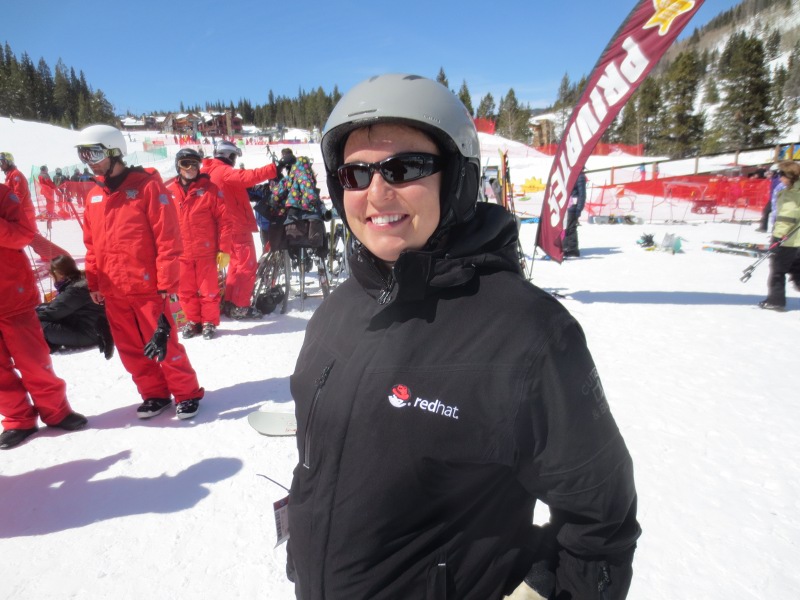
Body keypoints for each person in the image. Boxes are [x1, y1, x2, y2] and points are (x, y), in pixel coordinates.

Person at [286, 74, 640, 599]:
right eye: (355, 174)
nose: (376, 192)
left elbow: (601, 519)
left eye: (404, 168)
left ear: (457, 179)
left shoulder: (526, 332)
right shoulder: (337, 309)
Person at [75, 124, 204, 420]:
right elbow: (91, 245)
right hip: (113, 290)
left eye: (93, 154)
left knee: (164, 343)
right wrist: (94, 282)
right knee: (131, 349)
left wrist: (166, 282)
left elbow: (167, 237)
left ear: (114, 151)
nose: (89, 162)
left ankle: (186, 393)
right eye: (83, 155)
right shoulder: (93, 196)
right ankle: (154, 393)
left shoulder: (146, 187)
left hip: (148, 287)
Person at [0, 183, 87, 449]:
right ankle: (18, 420)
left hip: (12, 296)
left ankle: (56, 411)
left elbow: (23, 235)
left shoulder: (3, 194)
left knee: (34, 361)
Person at [201, 140, 277, 319]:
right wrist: (273, 169)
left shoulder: (209, 170)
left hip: (224, 227)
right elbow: (247, 177)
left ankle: (230, 301)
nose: (234, 161)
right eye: (234, 156)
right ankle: (240, 305)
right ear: (229, 155)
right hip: (236, 225)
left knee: (236, 266)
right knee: (247, 266)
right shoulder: (223, 171)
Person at [167, 147, 231, 340]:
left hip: (206, 252)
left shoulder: (210, 190)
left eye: (195, 164)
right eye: (185, 164)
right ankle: (193, 321)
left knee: (209, 291)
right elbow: (162, 224)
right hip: (181, 253)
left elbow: (225, 221)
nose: (190, 168)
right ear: (178, 166)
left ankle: (209, 321)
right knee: (185, 292)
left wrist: (224, 249)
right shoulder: (169, 192)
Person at [36, 254, 115, 359]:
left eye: (51, 271)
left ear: (60, 273)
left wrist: (28, 316)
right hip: (93, 328)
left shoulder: (75, 290)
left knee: (38, 325)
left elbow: (52, 313)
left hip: (87, 334)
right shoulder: (79, 281)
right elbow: (58, 306)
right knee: (40, 313)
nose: (49, 274)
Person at [759, 160, 800, 311]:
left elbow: (787, 217)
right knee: (796, 268)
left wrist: (777, 237)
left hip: (788, 239)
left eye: (780, 174)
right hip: (796, 239)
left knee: (778, 269)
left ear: (788, 176)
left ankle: (775, 301)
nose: (779, 177)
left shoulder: (791, 193)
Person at [562, 169, 587, 258]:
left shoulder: (580, 176)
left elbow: (582, 195)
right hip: (565, 205)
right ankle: (565, 246)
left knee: (571, 227)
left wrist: (579, 209)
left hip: (573, 205)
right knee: (565, 227)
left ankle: (572, 249)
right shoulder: (568, 175)